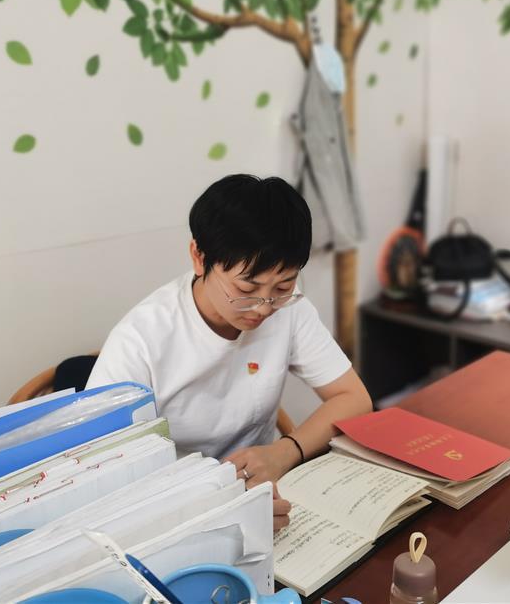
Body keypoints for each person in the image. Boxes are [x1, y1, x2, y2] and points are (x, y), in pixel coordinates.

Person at [86, 174, 373, 531]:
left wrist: (284, 451)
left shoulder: (290, 311)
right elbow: (103, 467)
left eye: (283, 286)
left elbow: (354, 398)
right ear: (199, 257)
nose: (264, 307)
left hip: (264, 493)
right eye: (246, 289)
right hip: (175, 512)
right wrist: (214, 502)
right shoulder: (141, 339)